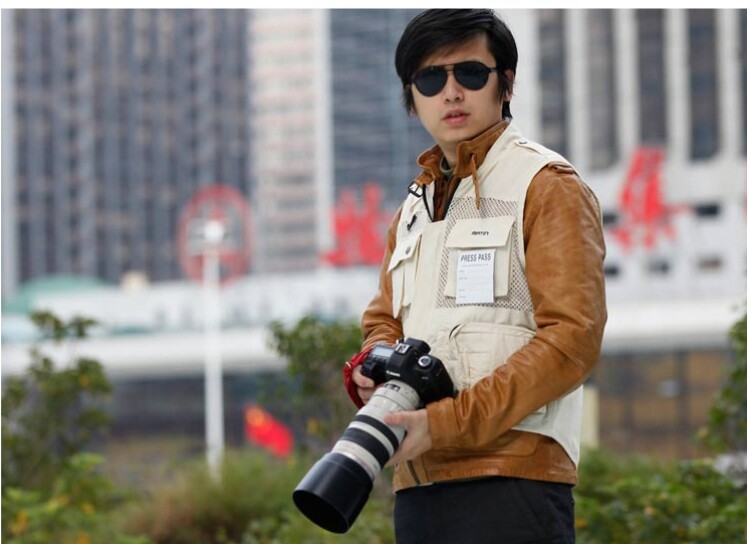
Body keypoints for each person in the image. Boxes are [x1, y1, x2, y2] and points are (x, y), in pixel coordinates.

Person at [342, 9, 607, 544]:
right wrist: (372, 367)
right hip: (417, 484)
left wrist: (446, 423)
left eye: (470, 73)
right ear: (411, 97)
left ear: (505, 84)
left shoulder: (547, 185)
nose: (451, 92)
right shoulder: (413, 208)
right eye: (430, 79)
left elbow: (572, 340)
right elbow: (382, 321)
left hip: (513, 481)